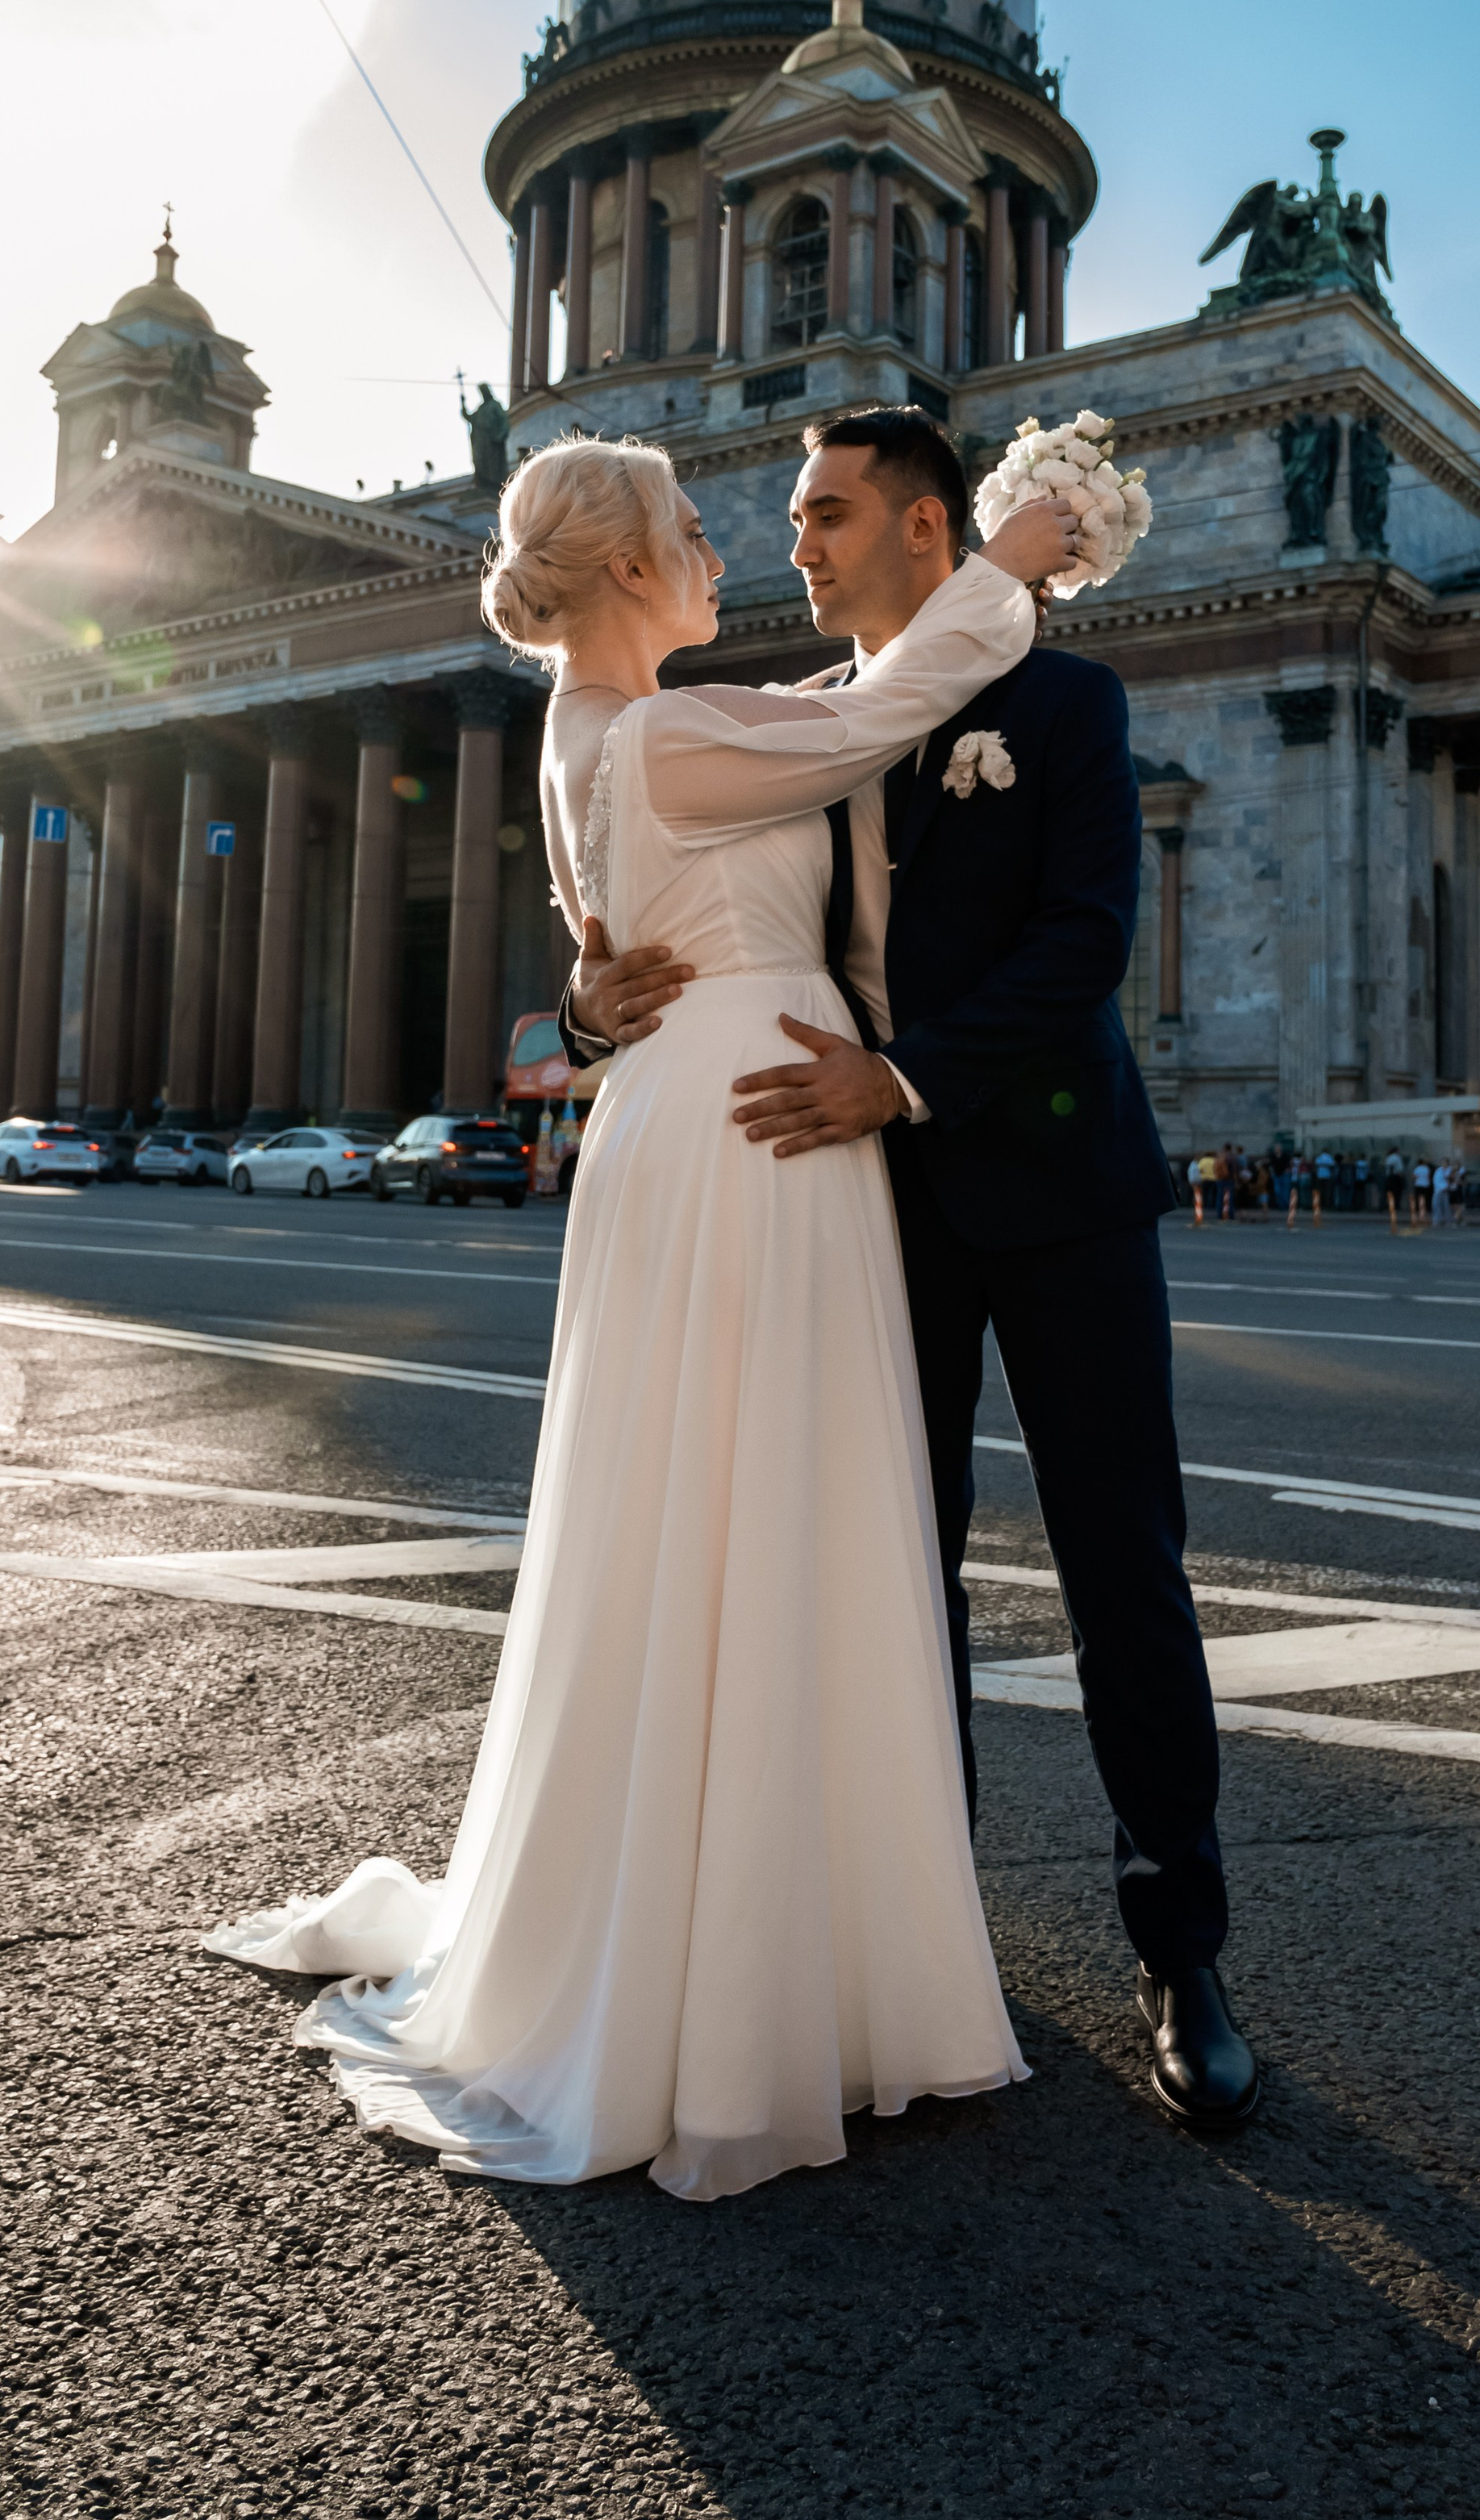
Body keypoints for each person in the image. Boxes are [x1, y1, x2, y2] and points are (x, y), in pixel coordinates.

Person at [205, 435, 1079, 2198]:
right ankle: (770, 1977)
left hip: (682, 1124)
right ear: (617, 568)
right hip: (756, 1135)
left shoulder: (577, 739)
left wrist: (592, 1018)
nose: (715, 555)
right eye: (687, 532)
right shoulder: (672, 726)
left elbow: (614, 971)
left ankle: (700, 1941)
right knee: (773, 1520)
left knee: (686, 1523)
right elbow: (864, 726)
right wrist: (1017, 563)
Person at [567, 407, 1256, 2135]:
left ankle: (1181, 1954)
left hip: (1044, 1173)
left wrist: (911, 1071)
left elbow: (1086, 939)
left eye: (824, 511)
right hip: (860, 1191)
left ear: (926, 527)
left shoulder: (1063, 702)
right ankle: (921, 1929)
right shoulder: (800, 717)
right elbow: (643, 889)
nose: (792, 540)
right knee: (888, 1569)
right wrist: (585, 1000)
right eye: (790, 515)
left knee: (1123, 1573)